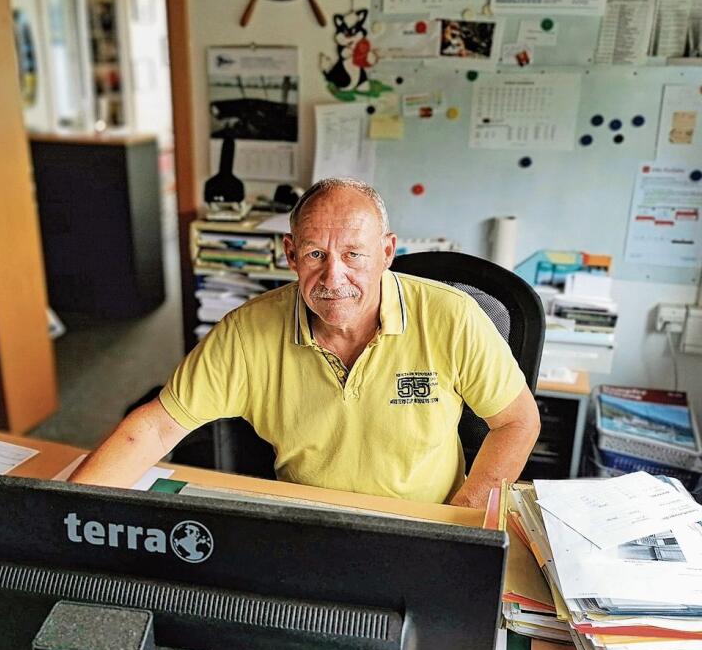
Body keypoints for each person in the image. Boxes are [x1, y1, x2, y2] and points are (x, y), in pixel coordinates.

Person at [71, 178, 540, 508]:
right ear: (291, 255)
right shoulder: (246, 331)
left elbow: (517, 422)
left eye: (354, 255)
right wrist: (62, 515)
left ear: (387, 252)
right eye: (315, 254)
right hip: (306, 521)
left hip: (424, 519)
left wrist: (461, 520)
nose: (334, 277)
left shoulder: (451, 317)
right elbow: (153, 429)